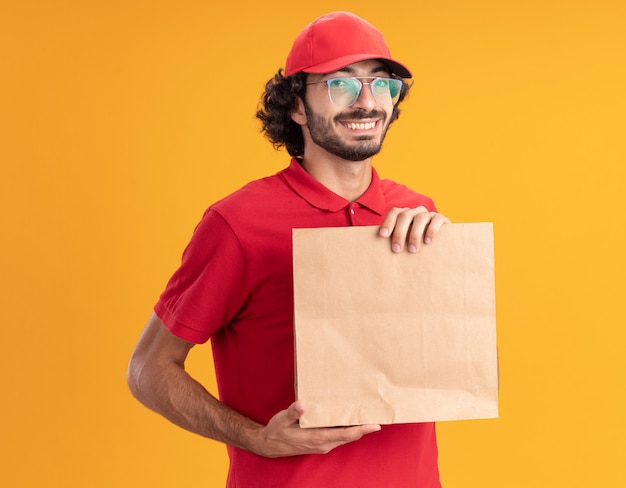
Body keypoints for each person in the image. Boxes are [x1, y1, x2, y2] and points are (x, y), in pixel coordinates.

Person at [127, 11, 449, 487]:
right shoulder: (237, 223)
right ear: (297, 104)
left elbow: (444, 358)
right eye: (342, 84)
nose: (367, 103)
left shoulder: (416, 213)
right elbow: (148, 368)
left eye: (382, 85)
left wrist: (446, 255)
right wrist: (256, 438)